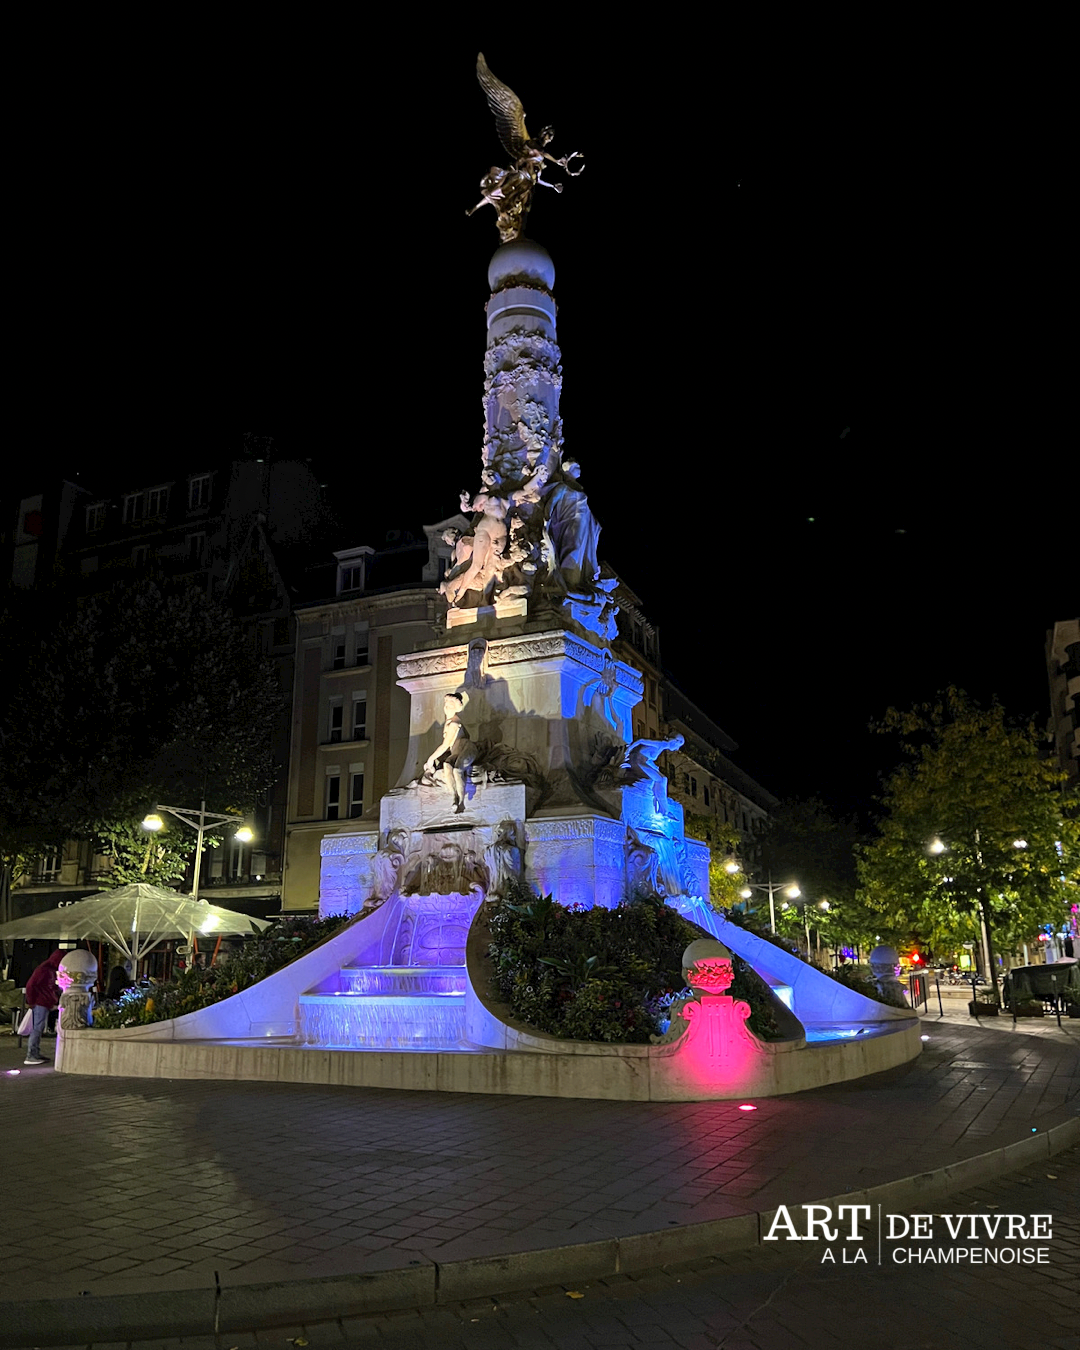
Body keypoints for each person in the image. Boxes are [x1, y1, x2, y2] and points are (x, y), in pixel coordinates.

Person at [23, 949, 64, 1066]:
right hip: (40, 1003)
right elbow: (31, 985)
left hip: (43, 1002)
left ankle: (35, 1053)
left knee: (39, 1028)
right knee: (37, 1028)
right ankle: (31, 1054)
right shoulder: (45, 970)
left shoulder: (48, 970)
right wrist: (31, 1001)